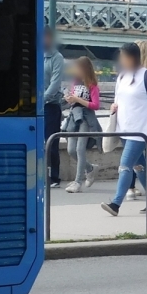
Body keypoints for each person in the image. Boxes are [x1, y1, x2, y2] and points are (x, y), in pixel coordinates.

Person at [100, 43, 147, 217]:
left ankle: (116, 203)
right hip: (124, 127)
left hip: (141, 129)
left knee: (125, 165)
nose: (121, 60)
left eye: (123, 56)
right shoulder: (122, 76)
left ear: (132, 57)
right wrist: (114, 107)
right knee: (139, 166)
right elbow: (118, 99)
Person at [61, 56, 101, 193]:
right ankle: (89, 168)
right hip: (74, 116)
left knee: (80, 149)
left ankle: (78, 182)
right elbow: (73, 100)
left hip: (86, 118)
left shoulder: (92, 85)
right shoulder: (75, 82)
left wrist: (77, 99)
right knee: (71, 149)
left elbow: (95, 105)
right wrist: (69, 99)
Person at [43, 28, 65, 188]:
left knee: (51, 142)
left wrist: (41, 100)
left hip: (50, 106)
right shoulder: (36, 55)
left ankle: (55, 177)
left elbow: (55, 84)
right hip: (36, 105)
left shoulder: (57, 58)